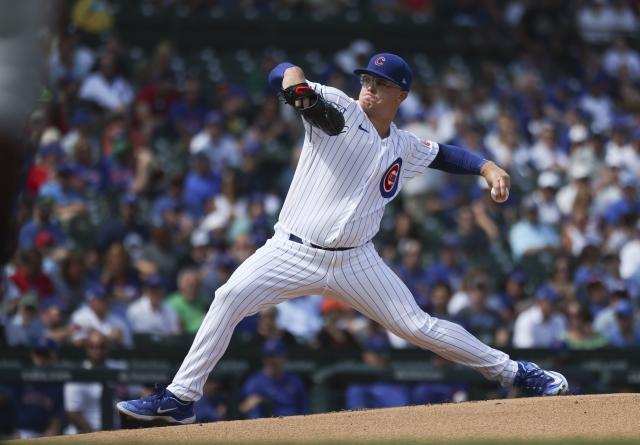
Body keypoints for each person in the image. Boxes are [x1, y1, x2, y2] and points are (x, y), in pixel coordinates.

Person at [117, 53, 568, 424]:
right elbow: (281, 71)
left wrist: (488, 168)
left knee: (418, 325)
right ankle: (181, 397)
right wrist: (295, 86)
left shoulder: (403, 145)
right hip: (291, 250)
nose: (369, 87)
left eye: (380, 83)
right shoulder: (336, 107)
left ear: (401, 95)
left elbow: (446, 154)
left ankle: (515, 371)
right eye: (367, 79)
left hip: (356, 261)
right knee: (228, 296)